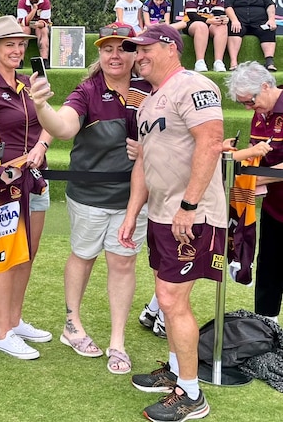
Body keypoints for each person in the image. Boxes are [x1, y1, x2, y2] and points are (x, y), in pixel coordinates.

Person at [117, 24, 225, 422]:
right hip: (162, 216)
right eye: (135, 50)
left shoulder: (193, 85)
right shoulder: (148, 100)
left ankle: (192, 395)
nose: (137, 56)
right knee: (167, 298)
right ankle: (177, 372)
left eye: (144, 48)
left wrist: (189, 205)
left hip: (190, 215)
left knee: (170, 300)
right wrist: (132, 214)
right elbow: (143, 162)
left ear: (170, 46)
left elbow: (211, 141)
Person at [30, 33, 152, 375]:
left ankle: (118, 342)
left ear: (135, 53)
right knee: (83, 257)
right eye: (108, 49)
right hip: (89, 197)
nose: (116, 55)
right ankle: (72, 326)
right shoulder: (88, 90)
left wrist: (146, 150)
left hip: (134, 198)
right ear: (100, 53)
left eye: (124, 48)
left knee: (123, 264)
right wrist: (42, 107)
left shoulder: (149, 87)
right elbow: (65, 127)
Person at [0, 16, 53, 360]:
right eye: (10, 44)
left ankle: (14, 321)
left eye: (21, 44)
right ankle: (2, 332)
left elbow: (50, 123)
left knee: (27, 256)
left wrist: (41, 147)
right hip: (7, 186)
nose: (18, 50)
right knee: (6, 259)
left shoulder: (28, 81)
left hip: (36, 180)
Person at [225, 62, 283, 323]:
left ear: (265, 86)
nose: (249, 108)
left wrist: (253, 178)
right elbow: (254, 153)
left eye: (250, 102)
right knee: (269, 265)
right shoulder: (260, 115)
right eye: (244, 104)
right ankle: (265, 326)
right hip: (273, 207)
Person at [224, 0, 278, 72]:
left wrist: (271, 19)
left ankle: (269, 61)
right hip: (240, 22)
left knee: (269, 28)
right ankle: (233, 62)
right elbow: (227, 6)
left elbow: (270, 5)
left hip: (259, 22)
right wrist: (234, 20)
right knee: (233, 28)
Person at [183, 0, 228, 73]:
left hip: (209, 22)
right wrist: (209, 20)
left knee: (222, 26)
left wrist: (222, 19)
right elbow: (192, 15)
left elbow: (218, 13)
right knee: (201, 26)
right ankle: (200, 62)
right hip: (192, 23)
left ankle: (218, 62)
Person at [17, 0, 53, 68]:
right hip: (26, 26)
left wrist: (38, 24)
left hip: (39, 26)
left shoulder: (45, 1)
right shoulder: (22, 2)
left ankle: (44, 61)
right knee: (24, 30)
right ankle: (19, 61)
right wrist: (34, 10)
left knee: (43, 30)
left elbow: (45, 22)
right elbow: (23, 22)